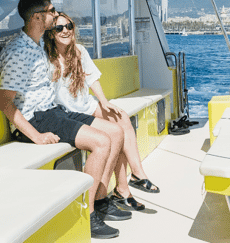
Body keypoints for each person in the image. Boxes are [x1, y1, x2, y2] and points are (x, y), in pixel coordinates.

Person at [0, 0, 130, 239]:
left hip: (52, 112)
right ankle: (87, 215)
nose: (56, 14)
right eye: (51, 10)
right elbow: (5, 103)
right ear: (37, 17)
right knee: (101, 142)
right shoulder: (18, 51)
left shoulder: (35, 44)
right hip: (37, 118)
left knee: (115, 132)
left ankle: (100, 199)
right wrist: (36, 136)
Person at [43, 13, 159, 212]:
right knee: (115, 133)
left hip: (86, 104)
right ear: (51, 34)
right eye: (59, 28)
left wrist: (104, 102)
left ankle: (137, 174)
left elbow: (92, 78)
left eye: (69, 25)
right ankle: (122, 190)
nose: (65, 31)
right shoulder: (45, 57)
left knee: (121, 118)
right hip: (68, 111)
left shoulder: (78, 51)